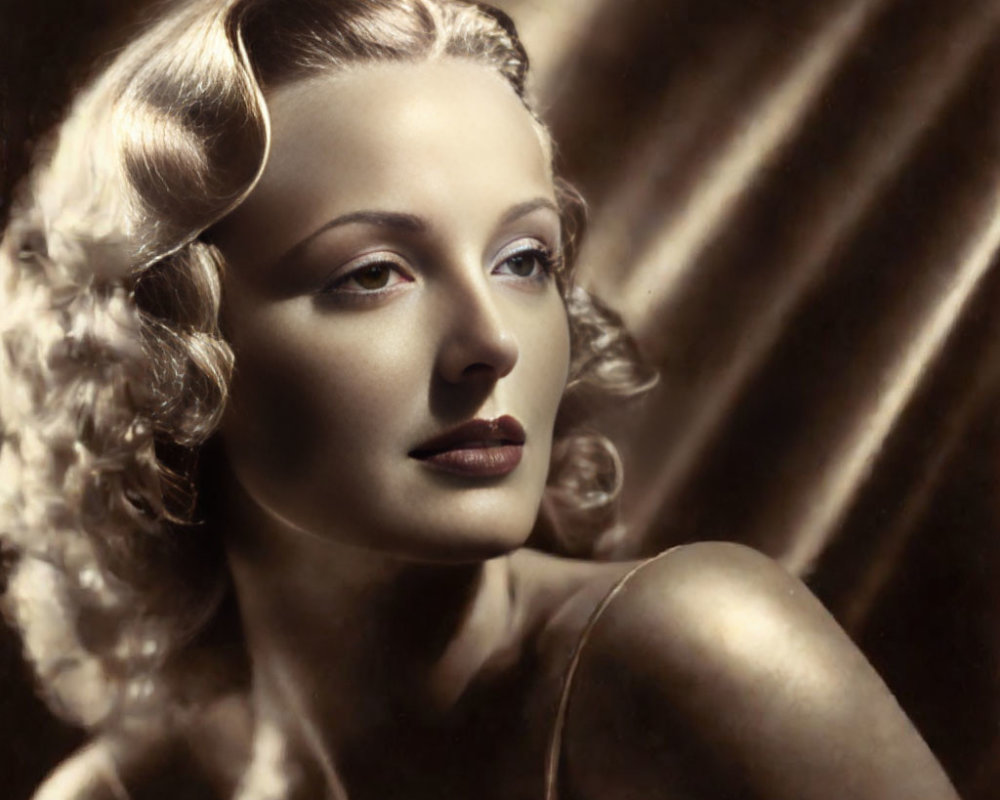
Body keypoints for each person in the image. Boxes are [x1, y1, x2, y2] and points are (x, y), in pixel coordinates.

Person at [0, 0, 962, 798]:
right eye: (373, 274)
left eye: (524, 259)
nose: (492, 342)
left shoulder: (691, 651)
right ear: (158, 353)